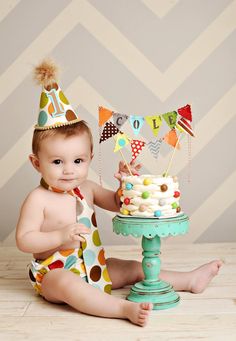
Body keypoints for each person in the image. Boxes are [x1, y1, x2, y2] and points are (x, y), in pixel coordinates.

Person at [16, 60, 222, 327]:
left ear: (90, 158)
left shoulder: (87, 188)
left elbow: (116, 203)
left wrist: (126, 185)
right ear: (36, 163)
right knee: (68, 285)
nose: (69, 170)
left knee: (133, 268)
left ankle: (188, 280)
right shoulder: (38, 199)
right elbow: (24, 240)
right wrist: (59, 236)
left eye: (78, 161)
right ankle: (121, 308)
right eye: (57, 162)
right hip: (54, 271)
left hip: (94, 266)